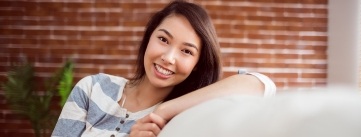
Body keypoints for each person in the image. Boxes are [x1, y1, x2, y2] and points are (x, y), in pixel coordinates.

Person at [51, 0, 276, 137]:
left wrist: (163, 110)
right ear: (149, 38)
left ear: (198, 65)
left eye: (186, 51)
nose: (168, 58)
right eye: (163, 39)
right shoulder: (93, 88)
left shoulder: (180, 115)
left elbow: (260, 84)